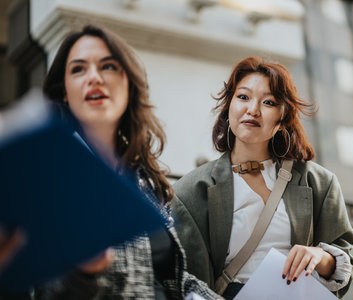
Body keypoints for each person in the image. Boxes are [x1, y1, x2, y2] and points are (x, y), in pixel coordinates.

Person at [36, 25, 221, 300]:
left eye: (108, 66)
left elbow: (173, 278)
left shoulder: (142, 177)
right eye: (78, 69)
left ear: (128, 83)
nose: (94, 77)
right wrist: (85, 274)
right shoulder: (47, 177)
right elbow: (39, 289)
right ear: (64, 91)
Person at [172, 56, 353, 299]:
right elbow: (184, 277)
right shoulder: (191, 191)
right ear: (229, 107)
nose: (253, 110)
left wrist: (320, 257)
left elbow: (345, 264)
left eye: (268, 102)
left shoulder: (320, 182)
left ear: (283, 119)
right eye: (243, 97)